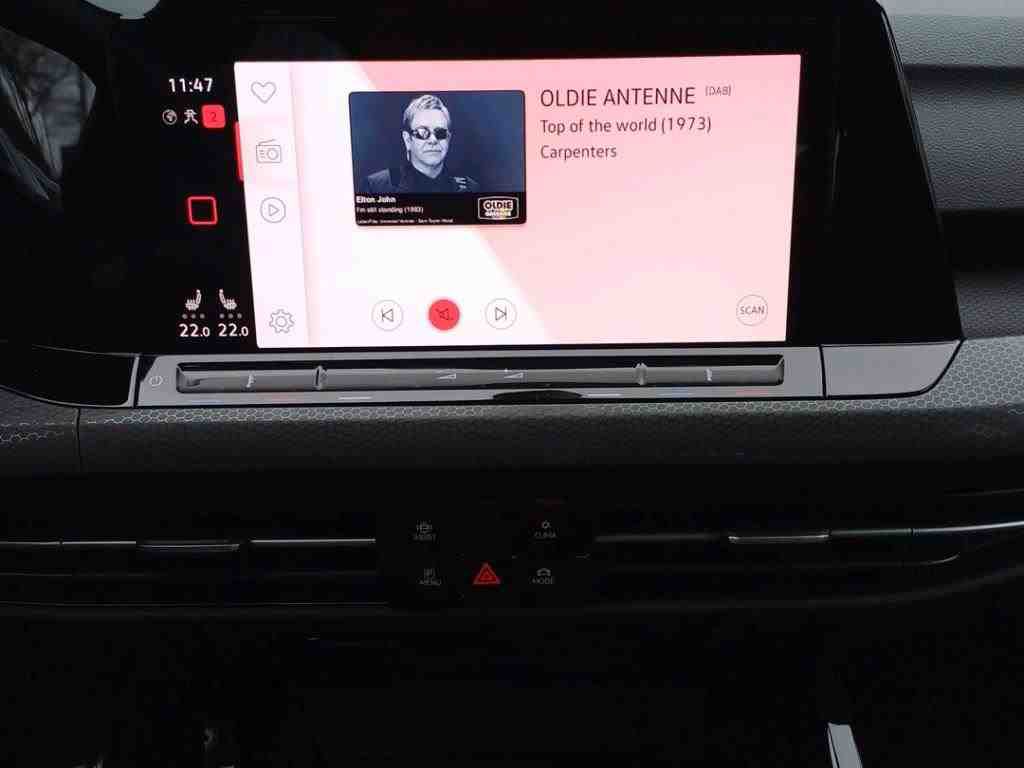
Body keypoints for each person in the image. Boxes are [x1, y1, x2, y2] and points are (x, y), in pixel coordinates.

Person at [364, 94, 480, 194]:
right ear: (407, 140)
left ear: (448, 139)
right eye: (422, 132)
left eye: (440, 133)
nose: (433, 140)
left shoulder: (470, 188)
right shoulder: (376, 187)